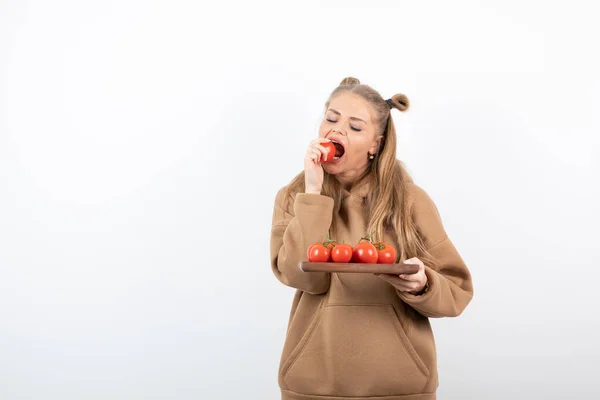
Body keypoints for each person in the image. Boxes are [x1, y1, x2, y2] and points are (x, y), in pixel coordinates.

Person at [269, 77, 474, 400]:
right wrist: (313, 193)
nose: (336, 131)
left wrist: (423, 284)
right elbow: (302, 277)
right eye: (331, 118)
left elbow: (458, 291)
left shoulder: (410, 200)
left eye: (354, 127)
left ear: (375, 145)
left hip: (400, 387)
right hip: (313, 386)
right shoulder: (295, 196)